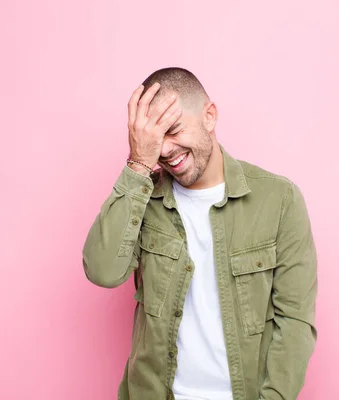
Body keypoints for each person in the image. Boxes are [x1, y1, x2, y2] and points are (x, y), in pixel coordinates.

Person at [82, 67, 318, 400]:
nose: (165, 150)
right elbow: (102, 271)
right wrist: (137, 163)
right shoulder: (143, 201)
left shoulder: (279, 200)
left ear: (209, 116)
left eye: (174, 130)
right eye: (154, 139)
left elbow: (294, 322)